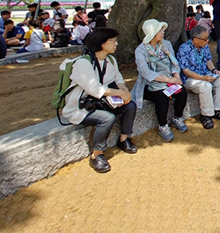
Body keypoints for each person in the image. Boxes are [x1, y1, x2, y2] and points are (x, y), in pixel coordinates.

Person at [61, 28, 137, 173]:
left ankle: (123, 139)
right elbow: (95, 89)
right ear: (101, 43)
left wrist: (125, 91)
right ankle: (97, 154)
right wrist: (120, 93)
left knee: (130, 106)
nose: (116, 44)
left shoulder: (110, 60)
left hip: (102, 102)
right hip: (81, 107)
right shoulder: (83, 63)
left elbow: (119, 79)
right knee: (107, 118)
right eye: (113, 41)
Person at [132, 19, 189, 142]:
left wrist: (176, 77)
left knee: (182, 92)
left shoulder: (166, 44)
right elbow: (146, 73)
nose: (163, 32)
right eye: (160, 30)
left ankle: (177, 118)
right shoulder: (141, 50)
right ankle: (163, 125)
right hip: (150, 83)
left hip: (169, 79)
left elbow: (173, 62)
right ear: (152, 34)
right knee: (162, 96)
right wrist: (170, 79)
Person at [177, 25, 220, 130]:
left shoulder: (204, 46)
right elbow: (185, 71)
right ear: (195, 40)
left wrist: (214, 70)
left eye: (208, 37)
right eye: (205, 39)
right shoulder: (183, 49)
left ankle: (217, 110)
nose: (207, 41)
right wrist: (203, 78)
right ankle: (206, 115)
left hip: (205, 74)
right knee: (205, 86)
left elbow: (208, 60)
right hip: (190, 78)